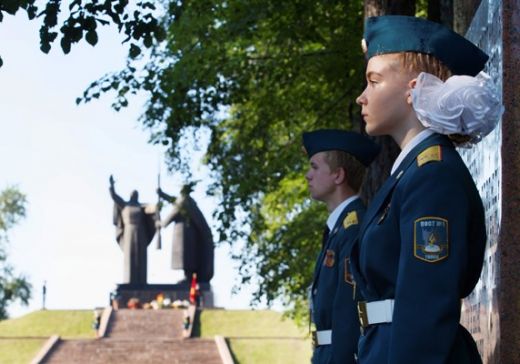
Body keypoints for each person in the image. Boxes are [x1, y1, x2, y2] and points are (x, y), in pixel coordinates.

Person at [350, 15, 502, 363]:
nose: (361, 97)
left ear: (413, 87)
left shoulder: (431, 175)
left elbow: (425, 302)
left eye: (374, 81)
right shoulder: (411, 173)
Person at [303, 129, 380, 364]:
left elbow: (348, 310)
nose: (308, 175)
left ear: (338, 175)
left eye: (315, 167)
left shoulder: (353, 229)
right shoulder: (339, 229)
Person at [158, 183, 214, 283]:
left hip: (184, 235)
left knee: (186, 257)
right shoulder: (188, 200)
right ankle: (188, 277)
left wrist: (161, 223)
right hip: (188, 234)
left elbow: (172, 214)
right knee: (187, 257)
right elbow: (174, 200)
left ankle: (188, 278)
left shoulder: (183, 201)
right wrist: (162, 194)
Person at [109, 175, 157, 285]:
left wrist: (158, 205)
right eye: (133, 193)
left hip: (141, 232)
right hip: (128, 233)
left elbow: (152, 208)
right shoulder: (125, 205)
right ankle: (130, 281)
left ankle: (141, 280)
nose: (134, 195)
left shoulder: (141, 206)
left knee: (141, 257)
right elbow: (115, 197)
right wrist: (112, 186)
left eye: (136, 194)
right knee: (130, 256)